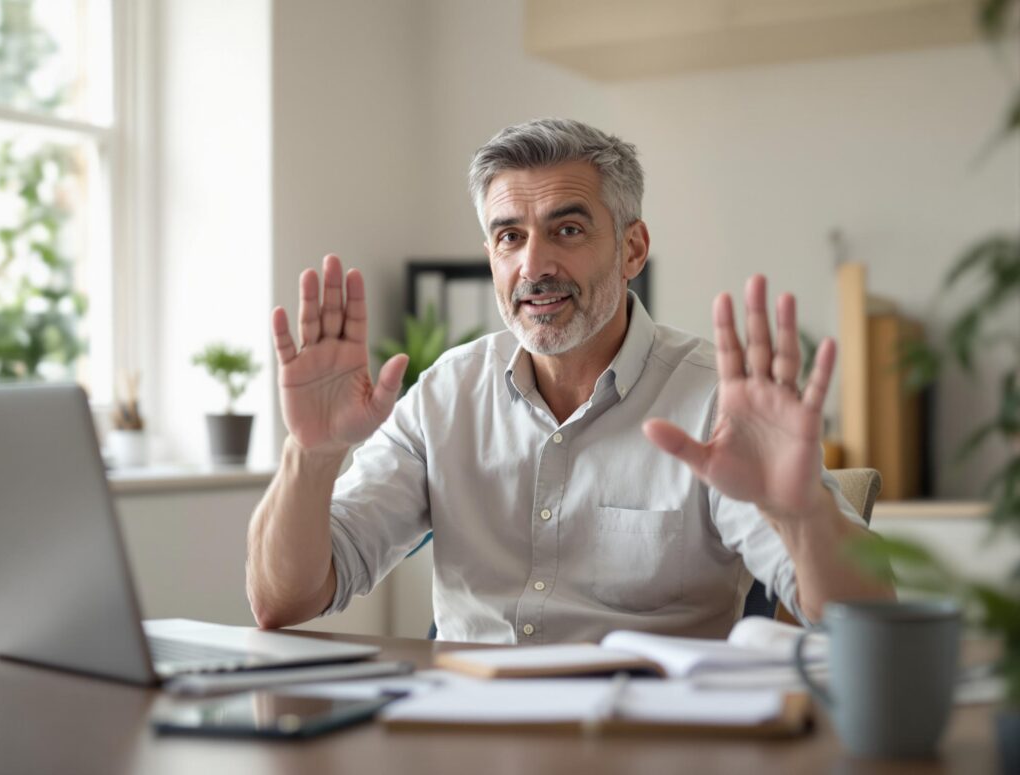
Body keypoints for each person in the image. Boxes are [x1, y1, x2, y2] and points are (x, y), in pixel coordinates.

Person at [246, 118, 893, 643]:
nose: (534, 265)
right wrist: (313, 453)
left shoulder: (715, 404)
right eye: (510, 236)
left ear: (632, 249)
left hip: (647, 732)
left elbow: (865, 623)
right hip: (463, 728)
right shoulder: (447, 394)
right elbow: (282, 601)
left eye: (569, 229)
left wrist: (801, 512)